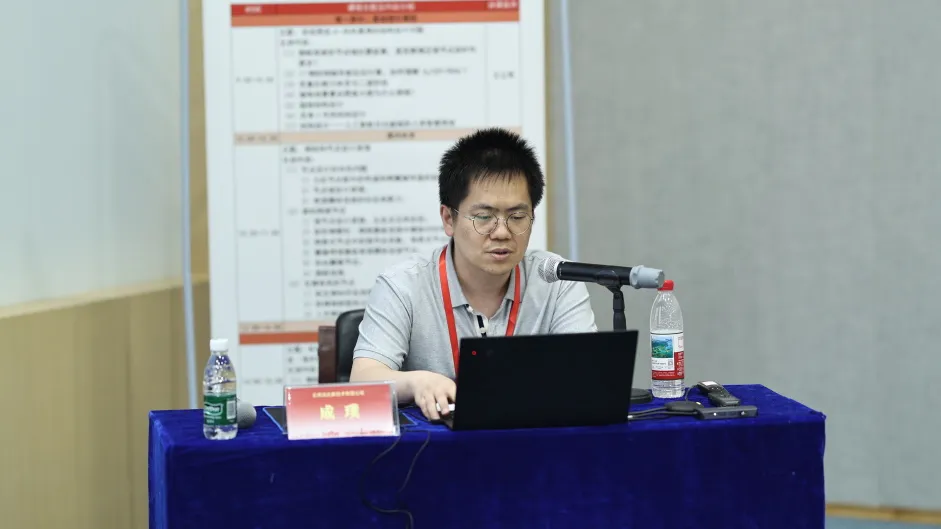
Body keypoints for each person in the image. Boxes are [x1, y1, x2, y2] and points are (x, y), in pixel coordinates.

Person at [349, 128, 597, 420]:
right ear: (448, 219)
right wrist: (417, 382)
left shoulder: (557, 281)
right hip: (435, 444)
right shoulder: (403, 285)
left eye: (517, 216)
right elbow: (363, 379)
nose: (502, 232)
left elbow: (587, 377)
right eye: (484, 217)